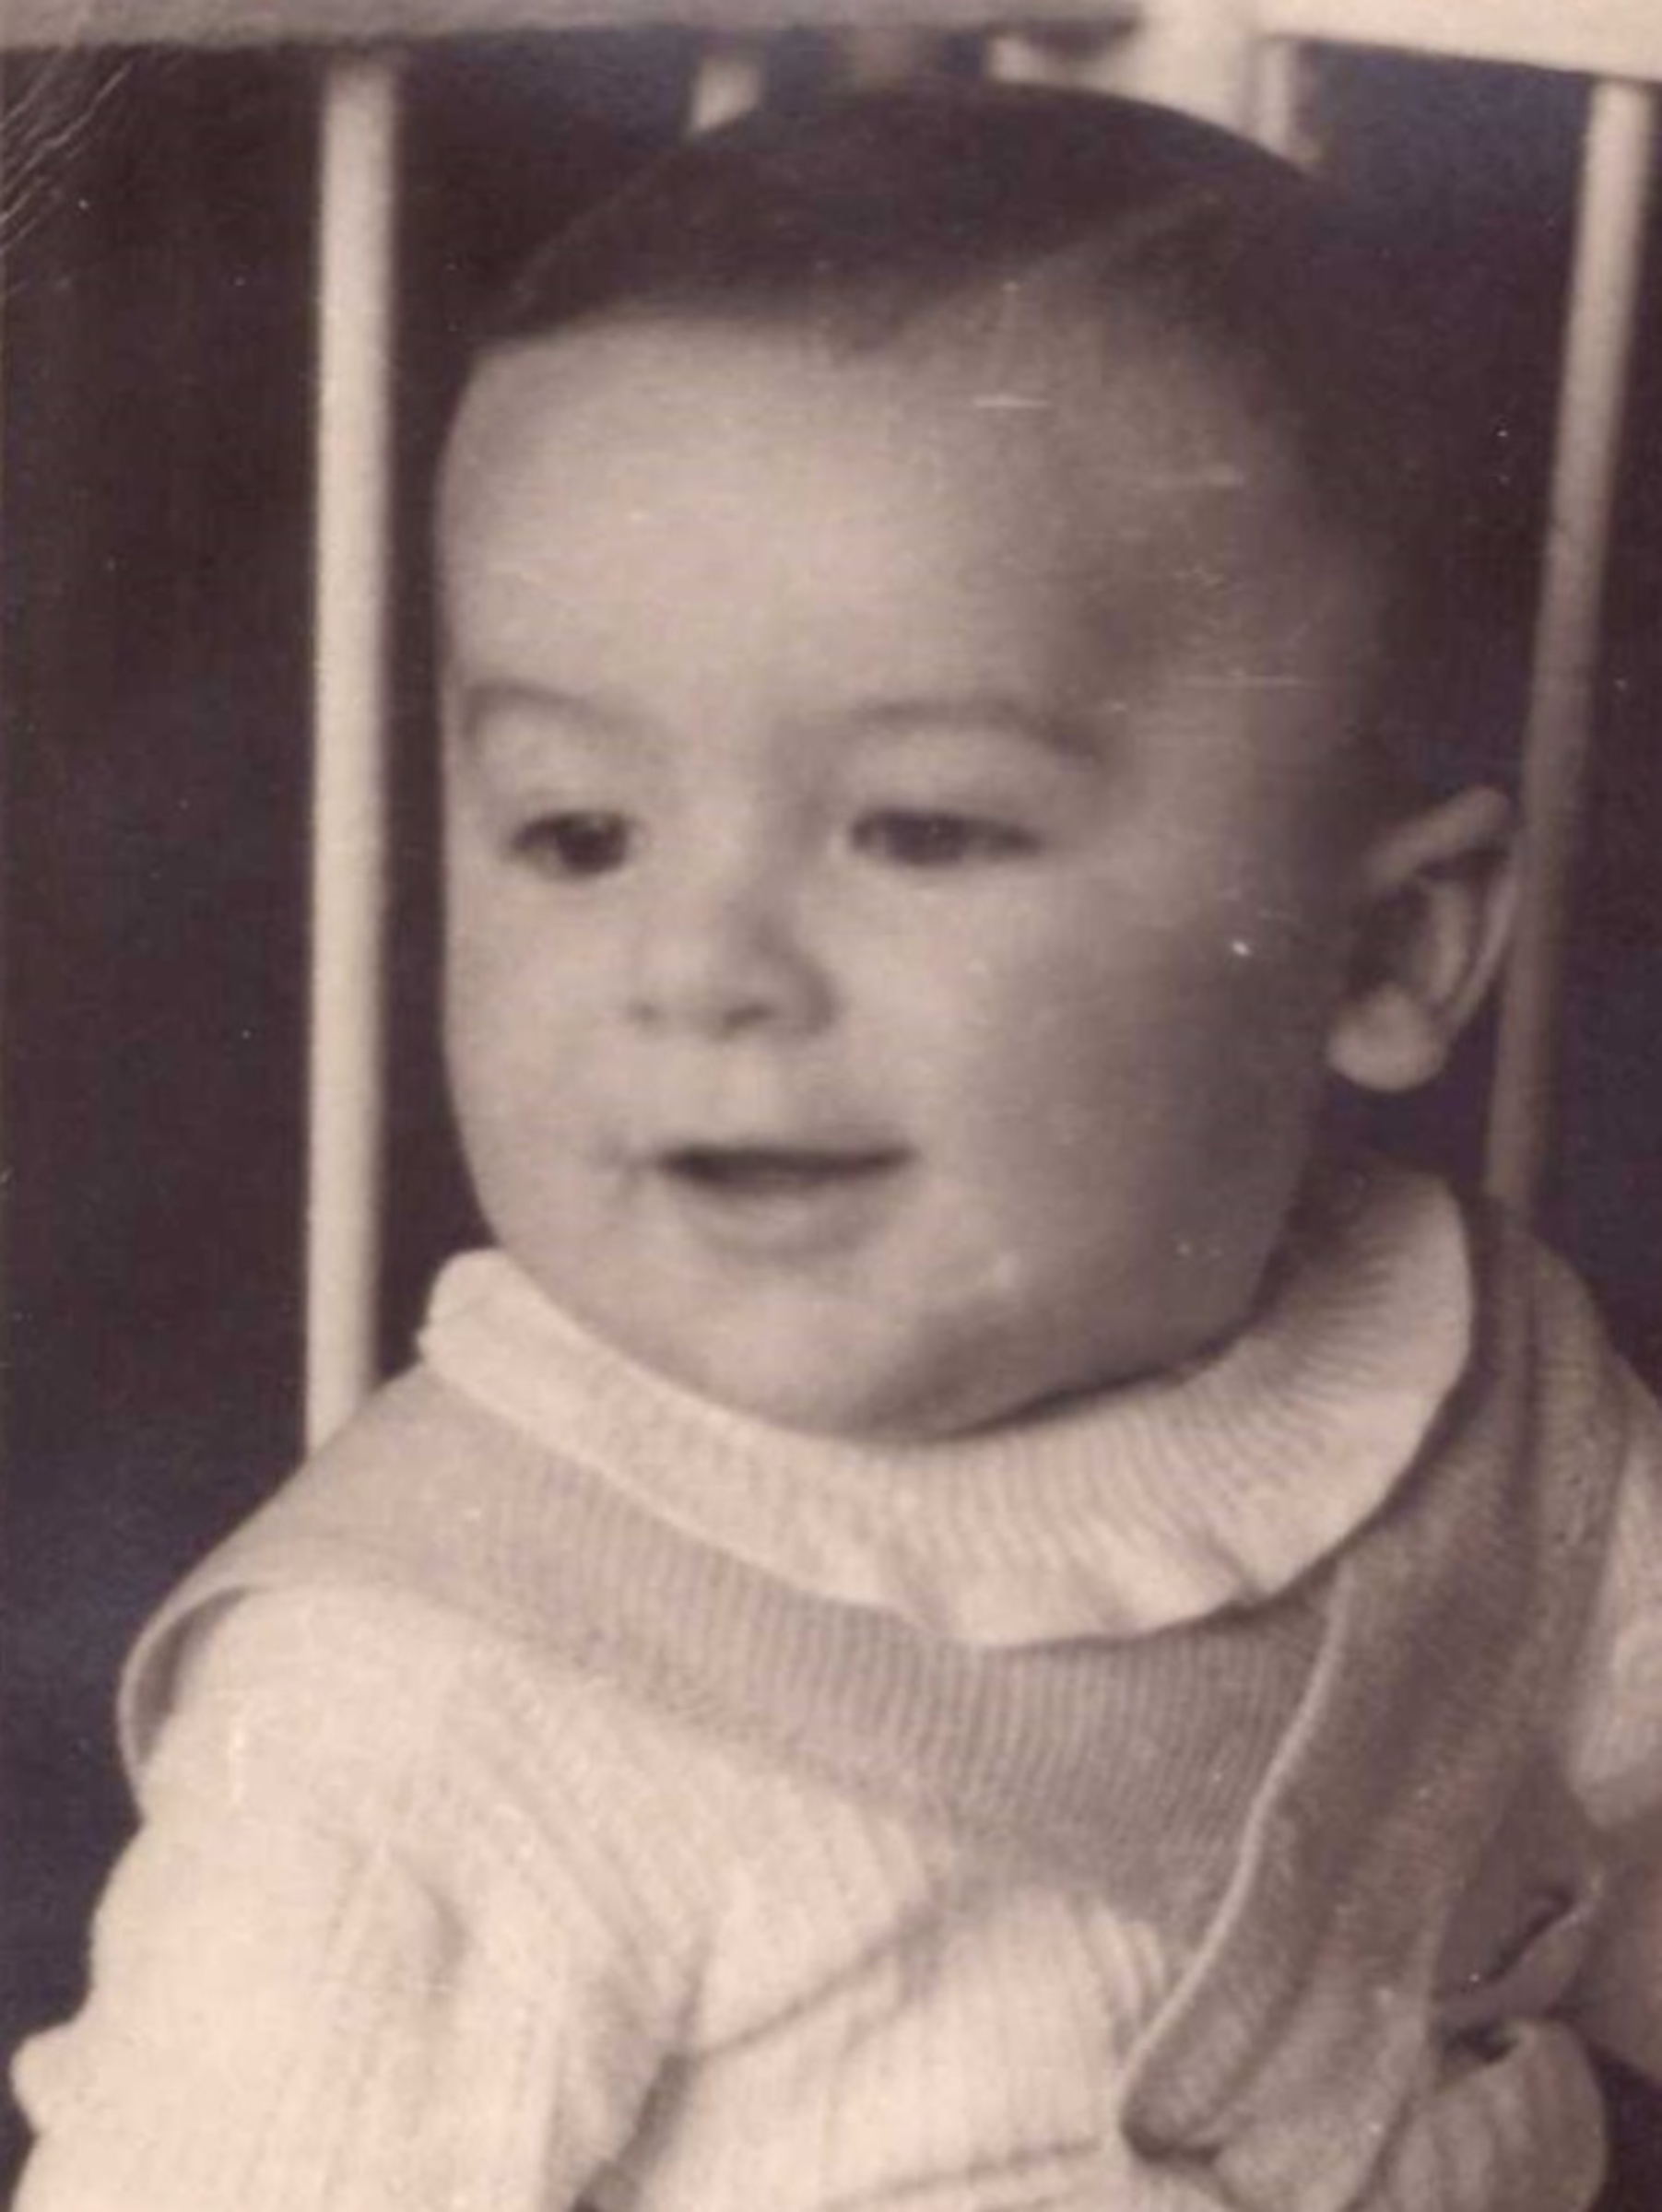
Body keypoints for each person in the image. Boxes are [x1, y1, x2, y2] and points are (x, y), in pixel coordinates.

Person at [12, 82, 1662, 2212]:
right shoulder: (427, 1705)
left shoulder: (1484, 1413)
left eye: (917, 829)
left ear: (1379, 950)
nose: (699, 968)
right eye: (577, 833)